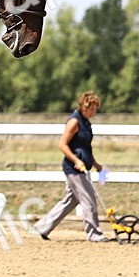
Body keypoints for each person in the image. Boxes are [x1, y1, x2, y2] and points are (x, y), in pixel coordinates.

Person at [33, 92, 110, 242]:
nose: (94, 113)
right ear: (84, 107)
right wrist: (76, 160)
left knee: (70, 201)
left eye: (96, 109)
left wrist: (96, 164)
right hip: (74, 169)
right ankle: (94, 234)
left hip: (82, 168)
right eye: (92, 109)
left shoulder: (86, 122)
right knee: (89, 200)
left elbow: (85, 147)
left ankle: (43, 226)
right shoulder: (74, 122)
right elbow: (62, 144)